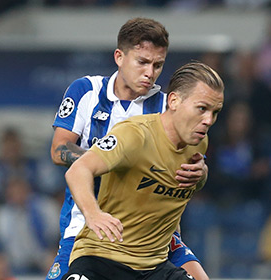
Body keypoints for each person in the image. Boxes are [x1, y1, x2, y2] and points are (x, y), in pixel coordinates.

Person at [47, 18, 208, 280]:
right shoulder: (86, 91)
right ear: (119, 57)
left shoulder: (168, 108)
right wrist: (115, 160)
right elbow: (59, 150)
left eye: (158, 65)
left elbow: (192, 169)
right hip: (88, 226)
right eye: (142, 62)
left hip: (154, 235)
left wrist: (200, 173)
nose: (150, 72)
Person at [62, 61, 224, 280]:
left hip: (153, 266)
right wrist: (93, 214)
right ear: (174, 101)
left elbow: (186, 183)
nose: (208, 121)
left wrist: (202, 176)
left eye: (215, 112)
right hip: (103, 259)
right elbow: (78, 170)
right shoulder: (135, 135)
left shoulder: (198, 142)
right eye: (202, 109)